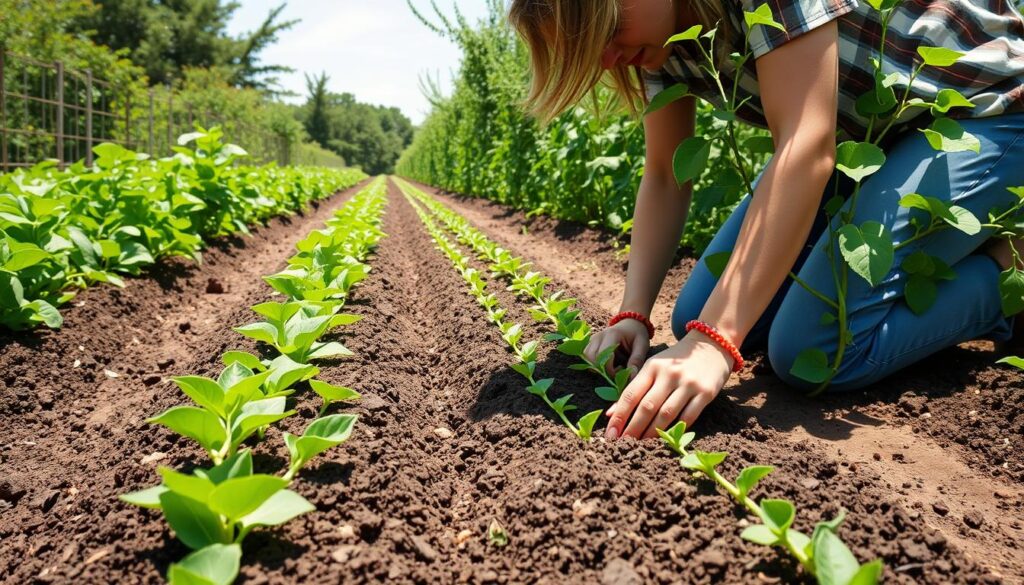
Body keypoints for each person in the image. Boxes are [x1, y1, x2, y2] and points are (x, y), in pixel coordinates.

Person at [508, 0, 1024, 439]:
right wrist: (632, 313)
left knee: (812, 349)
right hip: (878, 144)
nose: (608, 57)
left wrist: (713, 341)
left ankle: (1006, 275)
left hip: (988, 114)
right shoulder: (665, 39)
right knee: (689, 312)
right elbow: (666, 173)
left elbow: (806, 145)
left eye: (609, 29)